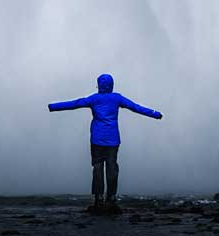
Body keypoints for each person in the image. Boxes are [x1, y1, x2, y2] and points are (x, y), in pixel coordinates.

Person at [48, 73, 162, 209]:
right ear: (111, 85)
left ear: (99, 85)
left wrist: (52, 107)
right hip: (113, 140)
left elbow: (74, 104)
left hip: (97, 139)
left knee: (97, 168)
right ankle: (111, 197)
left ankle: (98, 198)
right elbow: (136, 107)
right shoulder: (117, 98)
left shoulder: (94, 99)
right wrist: (155, 113)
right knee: (112, 168)